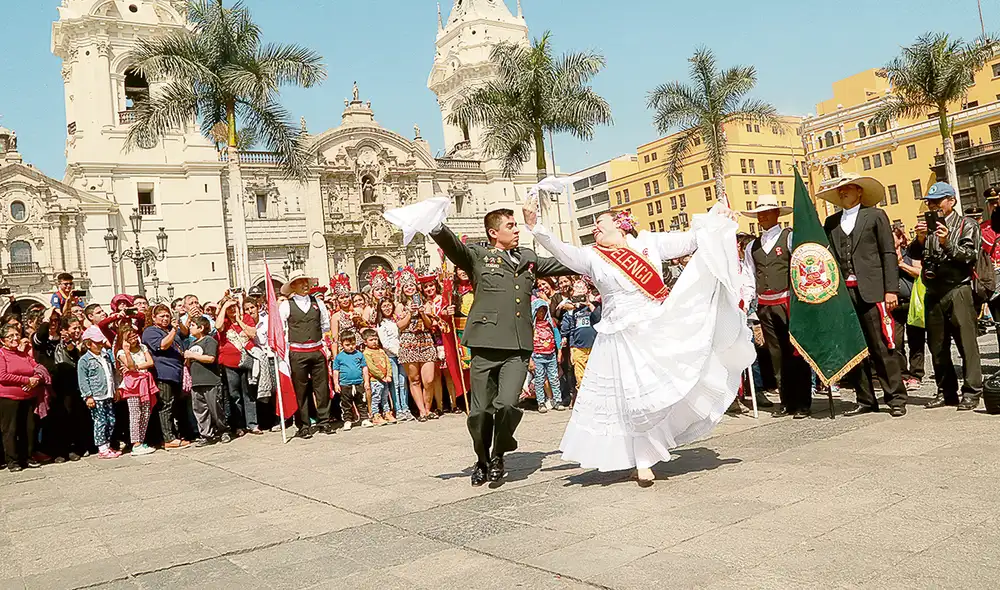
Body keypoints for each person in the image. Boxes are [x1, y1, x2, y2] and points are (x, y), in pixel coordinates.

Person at [526, 198, 753, 486]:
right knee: (629, 400)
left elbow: (692, 240)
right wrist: (536, 226)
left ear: (621, 225)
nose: (595, 228)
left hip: (653, 331)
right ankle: (638, 458)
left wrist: (716, 217)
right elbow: (562, 250)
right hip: (617, 338)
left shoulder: (649, 243)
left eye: (600, 223)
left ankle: (646, 457)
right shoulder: (592, 256)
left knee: (652, 396)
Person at [428, 206, 573, 486]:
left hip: (517, 347)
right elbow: (453, 247)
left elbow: (563, 263)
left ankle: (498, 454)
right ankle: (482, 459)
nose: (517, 229)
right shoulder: (478, 256)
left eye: (516, 225)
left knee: (507, 405)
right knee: (480, 412)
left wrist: (600, 256)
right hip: (485, 345)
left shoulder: (528, 258)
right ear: (494, 233)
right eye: (510, 225)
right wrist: (435, 225)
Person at [818, 174, 908, 417]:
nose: (842, 193)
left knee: (882, 346)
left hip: (872, 290)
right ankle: (865, 398)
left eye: (847, 188)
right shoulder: (832, 222)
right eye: (840, 190)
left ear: (859, 191)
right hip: (845, 293)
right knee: (855, 347)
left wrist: (891, 289)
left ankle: (895, 397)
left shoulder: (875, 215)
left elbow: (888, 253)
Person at [908, 182, 983, 410]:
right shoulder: (930, 226)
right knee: (937, 345)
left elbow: (969, 255)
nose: (932, 206)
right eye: (930, 202)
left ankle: (972, 391)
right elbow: (914, 254)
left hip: (958, 288)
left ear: (951, 201)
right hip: (933, 290)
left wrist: (947, 242)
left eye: (937, 201)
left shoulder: (966, 225)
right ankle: (946, 391)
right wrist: (920, 239)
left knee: (966, 344)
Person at [741, 194, 809, 417]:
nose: (762, 217)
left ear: (777, 214)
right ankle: (786, 400)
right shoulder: (753, 246)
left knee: (795, 351)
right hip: (765, 305)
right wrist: (745, 302)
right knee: (776, 354)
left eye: (766, 212)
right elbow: (750, 276)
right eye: (759, 213)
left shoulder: (789, 237)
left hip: (788, 301)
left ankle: (802, 402)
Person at [279, 269, 334, 438]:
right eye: (300, 282)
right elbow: (280, 328)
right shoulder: (286, 305)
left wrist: (324, 344)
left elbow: (325, 325)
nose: (304, 285)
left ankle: (324, 421)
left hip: (317, 350)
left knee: (322, 388)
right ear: (293, 286)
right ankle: (303, 425)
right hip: (297, 351)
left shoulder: (318, 303)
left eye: (306, 282)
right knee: (300, 390)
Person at [141, 305, 191, 448]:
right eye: (162, 316)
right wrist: (174, 330)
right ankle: (168, 439)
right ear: (153, 317)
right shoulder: (150, 331)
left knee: (175, 405)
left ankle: (176, 434)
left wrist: (178, 323)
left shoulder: (169, 329)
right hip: (163, 373)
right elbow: (162, 345)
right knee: (165, 405)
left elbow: (185, 334)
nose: (165, 319)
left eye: (167, 316)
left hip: (176, 372)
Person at [0, 323, 44, 471]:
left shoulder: (23, 354)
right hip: (8, 399)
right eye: (10, 336)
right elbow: (2, 376)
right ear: (2, 340)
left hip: (28, 398)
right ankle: (12, 461)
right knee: (10, 430)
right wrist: (26, 380)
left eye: (16, 335)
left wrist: (36, 379)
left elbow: (37, 367)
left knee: (29, 428)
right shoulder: (1, 354)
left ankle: (28, 457)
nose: (15, 338)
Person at [394, 267, 435, 422]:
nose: (410, 288)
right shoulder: (400, 306)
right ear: (402, 289)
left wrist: (422, 312)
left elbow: (430, 325)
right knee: (414, 379)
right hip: (408, 342)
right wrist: (410, 313)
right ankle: (422, 411)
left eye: (412, 285)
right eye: (406, 286)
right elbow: (400, 325)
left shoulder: (426, 303)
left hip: (425, 341)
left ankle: (428, 407)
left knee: (429, 379)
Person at [216, 294, 260, 435]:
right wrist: (224, 307)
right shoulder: (224, 321)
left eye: (234, 306)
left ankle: (252, 424)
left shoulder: (246, 318)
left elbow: (252, 333)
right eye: (229, 308)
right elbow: (217, 326)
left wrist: (239, 321)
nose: (232, 310)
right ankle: (239, 425)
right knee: (234, 395)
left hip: (247, 361)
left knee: (249, 393)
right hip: (229, 363)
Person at [185, 316, 230, 446]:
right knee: (200, 410)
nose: (190, 328)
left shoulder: (209, 340)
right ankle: (206, 434)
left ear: (201, 328)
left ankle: (223, 430)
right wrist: (187, 358)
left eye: (193, 325)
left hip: (210, 381)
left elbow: (210, 358)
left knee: (215, 409)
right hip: (196, 382)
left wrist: (192, 355)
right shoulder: (192, 344)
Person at [77, 326, 119, 459]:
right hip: (96, 395)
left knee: (111, 420)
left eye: (101, 342)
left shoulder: (105, 356)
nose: (100, 345)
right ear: (88, 344)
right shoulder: (84, 360)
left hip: (108, 393)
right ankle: (102, 447)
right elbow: (83, 380)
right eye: (97, 342)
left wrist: (115, 389)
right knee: (100, 421)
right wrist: (88, 396)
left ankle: (107, 444)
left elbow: (111, 373)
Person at [560, 279, 601, 409]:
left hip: (595, 346)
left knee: (595, 374)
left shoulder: (594, 306)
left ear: (588, 292)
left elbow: (599, 318)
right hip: (578, 347)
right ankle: (584, 402)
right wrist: (570, 345)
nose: (580, 298)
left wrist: (589, 304)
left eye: (582, 294)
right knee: (580, 376)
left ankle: (595, 400)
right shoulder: (573, 311)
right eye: (577, 295)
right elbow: (569, 328)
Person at [116, 325, 157, 456]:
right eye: (129, 338)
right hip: (132, 385)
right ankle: (135, 443)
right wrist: (127, 351)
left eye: (134, 335)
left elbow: (150, 362)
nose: (133, 339)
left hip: (145, 381)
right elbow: (130, 366)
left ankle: (141, 441)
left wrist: (137, 367)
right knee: (135, 414)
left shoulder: (143, 347)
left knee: (146, 412)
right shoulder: (121, 353)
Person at [893, 224, 925, 390]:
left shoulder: (910, 253)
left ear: (900, 238)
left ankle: (916, 374)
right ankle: (902, 374)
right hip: (894, 305)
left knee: (916, 340)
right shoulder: (883, 256)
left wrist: (901, 265)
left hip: (912, 303)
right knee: (896, 342)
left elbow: (919, 272)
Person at [375, 297, 411, 421]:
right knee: (394, 384)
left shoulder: (396, 319)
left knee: (403, 382)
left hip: (402, 354)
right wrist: (398, 352)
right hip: (391, 356)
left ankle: (405, 408)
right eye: (384, 306)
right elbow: (385, 343)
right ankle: (398, 409)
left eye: (389, 305)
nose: (387, 308)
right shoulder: (381, 324)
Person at [529, 298, 564, 413]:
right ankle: (541, 402)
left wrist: (559, 351)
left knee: (554, 378)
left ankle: (557, 401)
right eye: (539, 311)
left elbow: (557, 336)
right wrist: (530, 359)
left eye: (543, 310)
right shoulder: (531, 325)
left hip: (551, 355)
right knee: (539, 379)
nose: (541, 313)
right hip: (537, 356)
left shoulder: (551, 322)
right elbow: (527, 342)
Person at [333, 333, 371, 431]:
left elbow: (364, 368)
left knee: (361, 402)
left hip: (359, 383)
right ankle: (347, 420)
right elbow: (336, 371)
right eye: (347, 345)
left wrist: (366, 381)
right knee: (346, 404)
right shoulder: (339, 357)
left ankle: (364, 418)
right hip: (345, 384)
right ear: (342, 344)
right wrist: (336, 384)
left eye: (353, 344)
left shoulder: (359, 354)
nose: (351, 347)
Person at [362, 328, 396, 425]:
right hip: (375, 380)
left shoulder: (381, 351)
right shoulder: (366, 353)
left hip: (385, 379)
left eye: (375, 339)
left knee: (385, 397)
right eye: (371, 340)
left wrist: (388, 375)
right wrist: (381, 376)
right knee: (376, 398)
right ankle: (375, 415)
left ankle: (387, 413)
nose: (374, 342)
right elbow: (371, 367)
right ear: (365, 342)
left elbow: (388, 363)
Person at [981, 187, 1000, 349]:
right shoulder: (984, 229)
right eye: (991, 203)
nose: (995, 206)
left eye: (997, 202)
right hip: (996, 280)